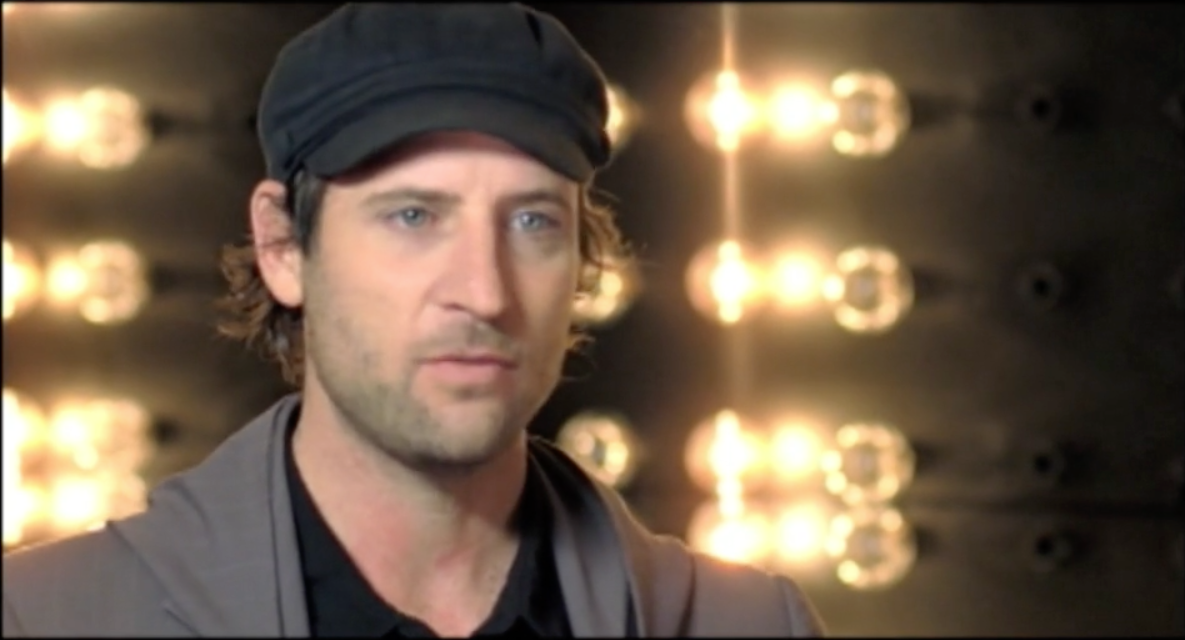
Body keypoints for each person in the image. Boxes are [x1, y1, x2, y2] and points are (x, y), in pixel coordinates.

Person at [2, 3, 826, 637]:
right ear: (283, 246)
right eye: (412, 216)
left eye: (531, 221)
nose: (484, 290)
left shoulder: (748, 625)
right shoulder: (45, 619)